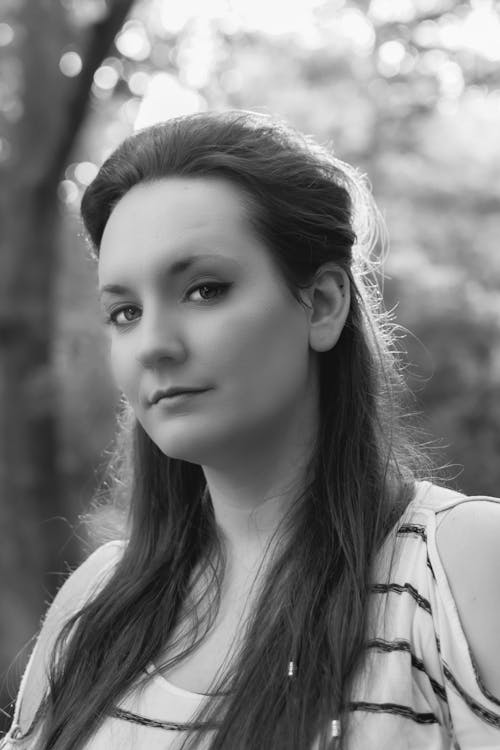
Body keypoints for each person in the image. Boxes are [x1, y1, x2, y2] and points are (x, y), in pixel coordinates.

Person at [2, 109, 500, 750]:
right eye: (124, 311)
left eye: (205, 290)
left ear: (321, 304)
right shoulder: (91, 608)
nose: (153, 345)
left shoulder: (457, 572)